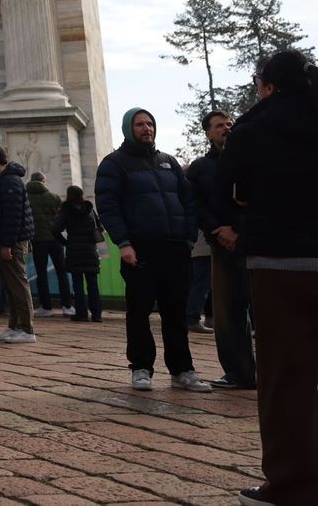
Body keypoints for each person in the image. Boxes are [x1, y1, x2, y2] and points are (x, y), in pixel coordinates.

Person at [220, 49, 318, 506]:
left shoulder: (255, 128)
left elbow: (233, 192)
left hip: (281, 264)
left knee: (285, 377)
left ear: (268, 86)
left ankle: (292, 485)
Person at [94, 107, 211, 393]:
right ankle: (141, 367)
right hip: (140, 249)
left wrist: (188, 239)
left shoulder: (168, 162)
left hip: (175, 248)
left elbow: (188, 202)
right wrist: (123, 243)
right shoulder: (114, 164)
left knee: (175, 312)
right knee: (139, 311)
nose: (146, 128)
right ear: (128, 129)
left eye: (150, 123)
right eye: (140, 124)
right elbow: (108, 206)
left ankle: (182, 370)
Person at [187, 109, 255, 390]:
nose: (226, 127)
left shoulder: (253, 158)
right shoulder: (200, 167)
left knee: (267, 312)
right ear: (208, 133)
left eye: (229, 123)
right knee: (228, 314)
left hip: (253, 243)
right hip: (221, 245)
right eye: (219, 125)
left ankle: (274, 372)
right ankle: (240, 373)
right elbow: (196, 204)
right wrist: (218, 230)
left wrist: (239, 230)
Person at [0, 144, 35, 343]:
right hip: (5, 240)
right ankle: (14, 326)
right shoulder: (3, 180)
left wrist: (7, 244)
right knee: (11, 286)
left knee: (18, 285)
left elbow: (13, 216)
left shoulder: (10, 181)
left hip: (12, 242)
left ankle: (27, 329)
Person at [53, 185, 103, 322]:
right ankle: (97, 314)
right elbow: (99, 227)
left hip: (74, 250)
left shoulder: (66, 210)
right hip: (90, 250)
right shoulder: (90, 209)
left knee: (77, 283)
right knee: (93, 284)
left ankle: (81, 314)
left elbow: (55, 229)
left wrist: (65, 242)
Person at [25, 170, 71, 315]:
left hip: (37, 240)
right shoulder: (54, 197)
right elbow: (62, 217)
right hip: (55, 239)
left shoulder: (26, 198)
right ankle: (67, 306)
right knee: (61, 272)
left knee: (41, 274)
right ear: (43, 181)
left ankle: (46, 307)